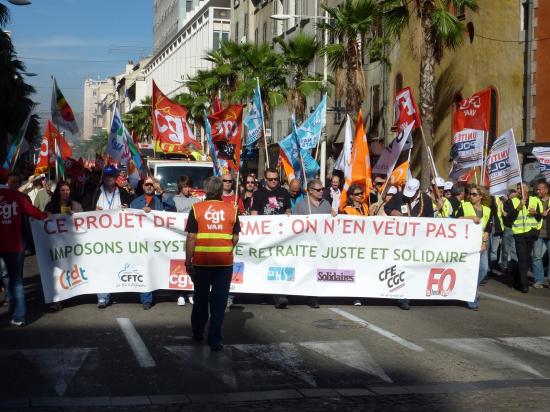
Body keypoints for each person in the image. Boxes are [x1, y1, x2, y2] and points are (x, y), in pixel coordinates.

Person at [185, 176, 240, 351]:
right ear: (219, 190)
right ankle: (215, 340)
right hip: (224, 263)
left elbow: (192, 237)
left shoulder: (196, 208)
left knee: (200, 298)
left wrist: (188, 261)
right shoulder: (232, 209)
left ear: (206, 189)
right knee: (219, 302)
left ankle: (198, 332)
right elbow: (236, 237)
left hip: (202, 263)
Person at [0, 168, 48, 326]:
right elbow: (33, 212)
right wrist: (47, 216)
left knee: (7, 277)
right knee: (16, 280)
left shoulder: (17, 196)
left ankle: (13, 305)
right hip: (16, 245)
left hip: (9, 245)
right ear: (6, 181)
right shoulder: (17, 197)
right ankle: (19, 315)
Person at [84, 165, 133, 308]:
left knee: (116, 265)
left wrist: (127, 208)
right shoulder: (94, 192)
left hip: (118, 237)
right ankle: (103, 296)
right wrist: (93, 209)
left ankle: (112, 290)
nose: (109, 178)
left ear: (116, 177)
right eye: (106, 175)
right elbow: (84, 208)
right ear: (103, 177)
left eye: (111, 175)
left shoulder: (123, 193)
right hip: (99, 236)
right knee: (101, 265)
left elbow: (133, 208)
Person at [385, 178, 434, 310]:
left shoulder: (426, 200)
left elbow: (431, 220)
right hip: (401, 240)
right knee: (402, 267)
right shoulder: (399, 196)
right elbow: (387, 207)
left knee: (413, 268)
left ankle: (410, 293)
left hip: (418, 241)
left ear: (418, 191)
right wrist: (393, 212)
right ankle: (403, 298)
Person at [130, 176, 175, 309]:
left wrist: (160, 190)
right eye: (147, 184)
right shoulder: (136, 202)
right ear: (143, 187)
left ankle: (156, 290)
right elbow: (131, 219)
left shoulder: (160, 198)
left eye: (151, 184)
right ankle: (146, 299)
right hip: (143, 240)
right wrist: (141, 213)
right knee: (144, 267)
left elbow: (172, 206)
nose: (149, 186)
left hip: (157, 239)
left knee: (156, 267)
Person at [251, 168, 291, 309]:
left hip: (281, 236)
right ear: (265, 179)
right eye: (270, 179)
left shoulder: (284, 192)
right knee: (265, 263)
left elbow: (287, 210)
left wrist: (288, 215)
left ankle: (279, 295)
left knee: (280, 263)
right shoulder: (258, 194)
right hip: (265, 235)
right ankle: (264, 293)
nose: (274, 181)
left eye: (276, 179)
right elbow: (254, 214)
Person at [294, 179, 335, 308]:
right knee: (307, 269)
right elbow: (293, 224)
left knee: (317, 269)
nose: (322, 191)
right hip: (306, 243)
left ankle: (313, 295)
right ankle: (303, 294)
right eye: (318, 190)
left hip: (322, 244)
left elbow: (332, 222)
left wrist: (335, 216)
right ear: (310, 191)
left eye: (322, 189)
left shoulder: (326, 204)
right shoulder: (301, 205)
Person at [457, 184, 492, 310]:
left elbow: (488, 227)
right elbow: (457, 219)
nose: (471, 196)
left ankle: (468, 291)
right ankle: (470, 296)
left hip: (480, 244)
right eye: (470, 194)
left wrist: (484, 242)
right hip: (467, 243)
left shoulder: (487, 210)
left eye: (474, 194)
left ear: (481, 196)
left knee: (484, 269)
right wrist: (472, 218)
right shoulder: (465, 205)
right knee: (467, 270)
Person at [504, 182, 542, 293]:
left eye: (521, 188)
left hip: (531, 233)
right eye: (518, 188)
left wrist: (536, 213)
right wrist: (518, 208)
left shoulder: (535, 200)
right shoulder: (512, 201)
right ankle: (524, 285)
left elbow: (540, 218)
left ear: (527, 189)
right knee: (522, 258)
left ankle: (516, 280)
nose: (519, 190)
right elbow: (508, 219)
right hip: (519, 233)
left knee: (526, 259)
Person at [172, 175, 201, 306]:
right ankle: (180, 293)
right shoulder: (174, 200)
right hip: (178, 236)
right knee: (179, 264)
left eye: (189, 186)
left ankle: (191, 293)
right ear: (180, 187)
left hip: (192, 236)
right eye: (184, 186)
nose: (187, 189)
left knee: (191, 264)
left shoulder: (197, 200)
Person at [532, 180, 550, 288]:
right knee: (536, 257)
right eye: (537, 189)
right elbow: (531, 211)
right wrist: (539, 213)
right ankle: (539, 280)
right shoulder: (534, 200)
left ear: (546, 190)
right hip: (538, 233)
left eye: (540, 189)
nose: (537, 191)